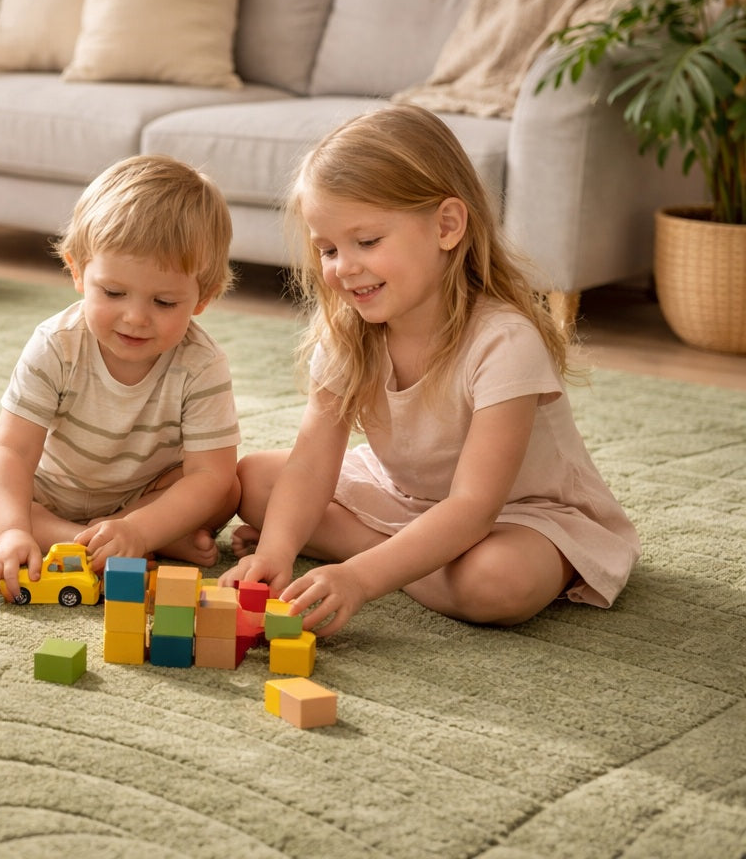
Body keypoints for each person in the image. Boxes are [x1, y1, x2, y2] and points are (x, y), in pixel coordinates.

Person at [220, 104, 639, 636]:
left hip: (516, 514)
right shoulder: (349, 333)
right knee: (255, 480)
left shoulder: (504, 342)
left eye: (367, 241)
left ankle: (384, 555)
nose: (343, 267)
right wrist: (276, 553)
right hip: (407, 499)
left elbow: (473, 508)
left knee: (498, 583)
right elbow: (309, 465)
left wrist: (359, 577)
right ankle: (408, 556)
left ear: (446, 226)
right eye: (327, 249)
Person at [0, 155, 244, 608]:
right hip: (46, 488)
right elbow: (13, 450)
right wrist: (12, 531)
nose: (135, 317)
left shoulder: (201, 364)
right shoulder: (56, 344)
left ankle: (130, 539)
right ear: (77, 271)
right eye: (113, 293)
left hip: (141, 494)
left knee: (227, 488)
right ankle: (87, 542)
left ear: (203, 298)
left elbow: (210, 477)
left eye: (165, 302)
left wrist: (139, 526)